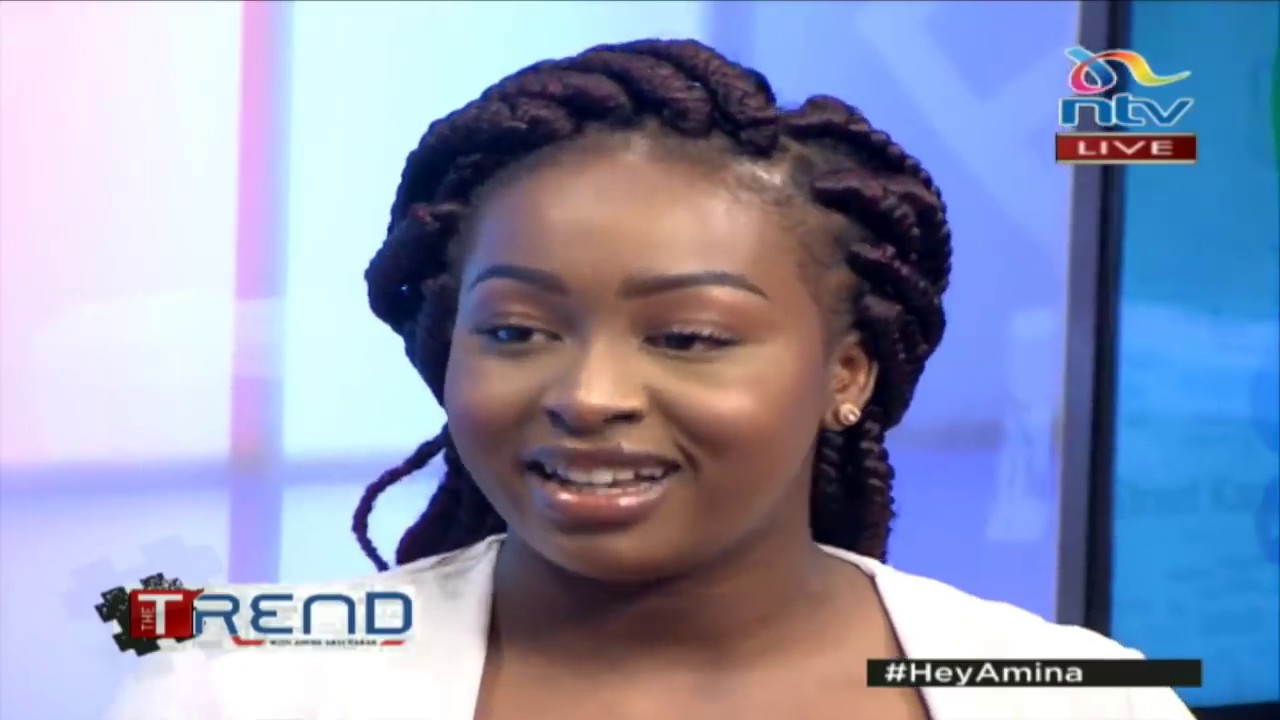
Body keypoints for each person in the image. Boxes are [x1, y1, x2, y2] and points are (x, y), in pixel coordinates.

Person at [111, 39, 1195, 720]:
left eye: (686, 337)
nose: (587, 396)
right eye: (517, 330)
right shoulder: (241, 687)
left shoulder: (1072, 697)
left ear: (847, 373)